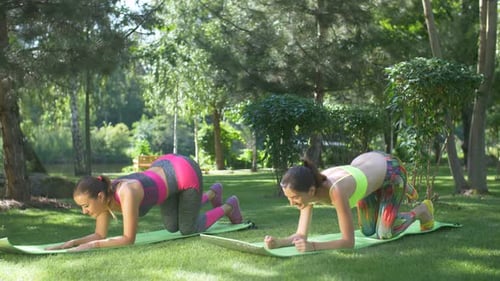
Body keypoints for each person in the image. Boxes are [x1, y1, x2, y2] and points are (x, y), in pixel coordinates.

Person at [47, 154, 243, 251]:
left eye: (85, 206)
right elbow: (100, 234)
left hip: (184, 172)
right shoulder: (104, 196)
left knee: (187, 228)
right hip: (164, 170)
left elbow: (128, 239)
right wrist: (73, 243)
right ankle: (210, 194)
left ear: (99, 197)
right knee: (172, 226)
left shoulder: (127, 192)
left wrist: (91, 247)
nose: (84, 212)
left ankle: (229, 206)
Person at [264, 151, 434, 252]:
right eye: (289, 198)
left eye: (294, 198)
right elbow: (301, 235)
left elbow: (348, 242)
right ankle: (402, 189)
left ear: (310, 191)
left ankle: (422, 210)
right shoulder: (308, 187)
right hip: (366, 171)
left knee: (384, 232)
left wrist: (313, 246)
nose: (292, 203)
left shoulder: (336, 191)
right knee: (368, 231)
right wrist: (279, 242)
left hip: (390, 170)